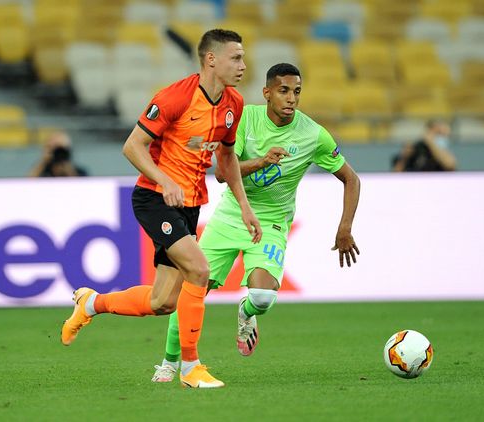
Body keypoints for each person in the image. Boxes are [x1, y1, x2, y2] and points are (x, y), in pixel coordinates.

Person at [60, 29, 262, 389]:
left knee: (163, 302)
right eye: (236, 57)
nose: (243, 65)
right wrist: (165, 180)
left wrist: (244, 205)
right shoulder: (175, 97)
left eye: (242, 58)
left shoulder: (234, 103)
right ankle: (190, 367)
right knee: (199, 270)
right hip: (155, 197)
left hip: (189, 204)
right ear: (211, 59)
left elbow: (227, 157)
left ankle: (91, 304)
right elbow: (132, 146)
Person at [151, 62, 361, 383]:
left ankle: (246, 313)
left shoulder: (313, 134)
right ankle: (169, 362)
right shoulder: (244, 118)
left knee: (262, 297)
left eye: (297, 92)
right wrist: (261, 162)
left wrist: (344, 228)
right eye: (283, 91)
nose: (291, 98)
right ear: (267, 93)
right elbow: (221, 174)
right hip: (231, 214)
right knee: (192, 290)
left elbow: (351, 179)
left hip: (272, 221)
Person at [391, 119, 457, 172]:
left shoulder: (442, 149)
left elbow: (450, 165)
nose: (442, 135)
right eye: (437, 132)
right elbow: (397, 173)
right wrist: (405, 157)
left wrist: (431, 143)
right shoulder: (418, 148)